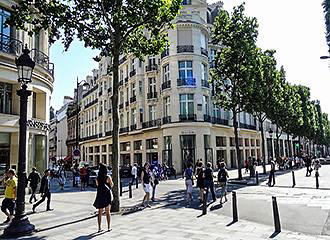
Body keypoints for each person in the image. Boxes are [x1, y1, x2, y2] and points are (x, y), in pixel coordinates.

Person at [93, 163, 113, 232]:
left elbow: (97, 185)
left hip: (100, 195)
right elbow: (111, 185)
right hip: (107, 195)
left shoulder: (97, 178)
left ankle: (99, 228)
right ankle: (109, 227)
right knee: (108, 212)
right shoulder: (108, 177)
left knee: (100, 212)